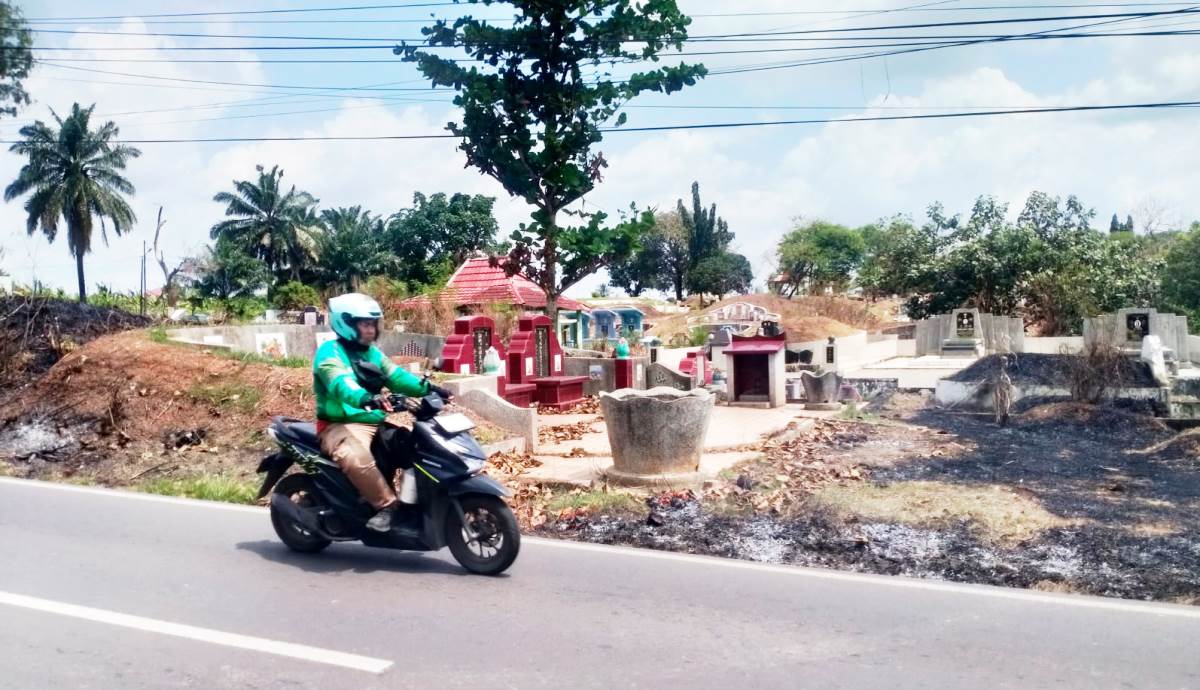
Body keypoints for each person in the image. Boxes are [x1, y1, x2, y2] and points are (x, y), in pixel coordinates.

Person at [314, 293, 451, 533]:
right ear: (345, 323)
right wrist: (367, 397)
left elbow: (396, 376)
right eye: (365, 324)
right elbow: (341, 384)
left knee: (414, 449)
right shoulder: (329, 353)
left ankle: (413, 505)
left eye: (373, 324)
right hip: (338, 426)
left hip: (372, 422)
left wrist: (429, 388)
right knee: (355, 458)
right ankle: (388, 506)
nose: (371, 330)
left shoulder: (372, 354)